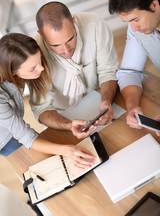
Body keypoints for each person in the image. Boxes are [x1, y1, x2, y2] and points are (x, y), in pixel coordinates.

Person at [0, 33, 96, 168]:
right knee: (32, 164)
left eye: (39, 61)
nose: (41, 68)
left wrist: (68, 127)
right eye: (32, 68)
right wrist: (69, 150)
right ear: (12, 71)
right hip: (2, 137)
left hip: (8, 122)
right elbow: (27, 137)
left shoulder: (9, 69)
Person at [30, 1, 118, 136]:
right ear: (41, 35)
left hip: (99, 100)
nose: (66, 50)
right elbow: (41, 109)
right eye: (55, 45)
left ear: (73, 22)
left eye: (70, 39)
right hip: (61, 118)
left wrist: (106, 101)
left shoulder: (95, 25)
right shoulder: (34, 55)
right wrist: (68, 125)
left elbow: (108, 71)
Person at [109, 0, 160, 136]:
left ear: (154, 4)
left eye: (136, 19)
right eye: (128, 22)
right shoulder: (138, 29)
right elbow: (129, 72)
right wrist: (132, 107)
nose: (134, 28)